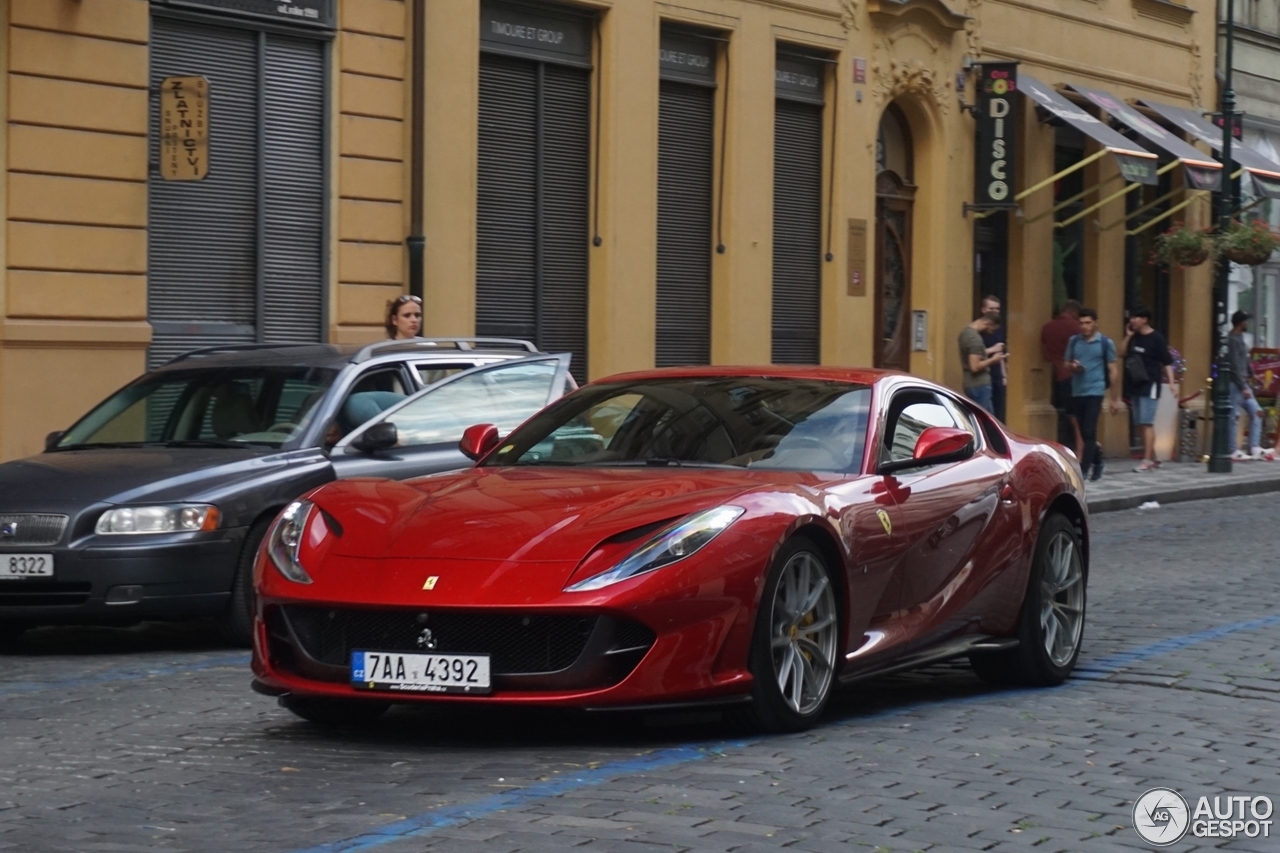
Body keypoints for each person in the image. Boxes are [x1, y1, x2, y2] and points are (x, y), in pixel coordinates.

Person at [1064, 307, 1120, 481]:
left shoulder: (1105, 343)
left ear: (1096, 323)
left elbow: (1113, 370)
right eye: (1081, 323)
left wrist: (1114, 398)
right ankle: (1098, 461)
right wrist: (1073, 367)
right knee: (1085, 432)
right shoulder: (1074, 341)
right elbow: (1066, 363)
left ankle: (1084, 468)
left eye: (1088, 323)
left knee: (1089, 429)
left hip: (1095, 390)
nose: (1084, 326)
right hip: (1077, 390)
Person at [1118, 306, 1175, 472]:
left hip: (1150, 384)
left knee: (1146, 422)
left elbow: (1167, 362)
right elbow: (1120, 352)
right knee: (1139, 424)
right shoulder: (1133, 337)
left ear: (1145, 320)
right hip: (1134, 385)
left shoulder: (1157, 338)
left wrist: (1171, 383)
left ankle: (1147, 459)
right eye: (1132, 317)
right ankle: (1154, 456)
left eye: (1136, 317)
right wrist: (1128, 337)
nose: (1132, 321)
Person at [1226, 310, 1273, 461]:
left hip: (1243, 383)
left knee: (1257, 412)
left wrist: (1253, 376)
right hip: (1235, 385)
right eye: (1246, 321)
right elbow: (1234, 365)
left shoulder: (1240, 338)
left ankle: (1254, 447)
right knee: (1233, 416)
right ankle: (1233, 450)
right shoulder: (1232, 340)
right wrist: (1243, 386)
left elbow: (1244, 361)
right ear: (1240, 323)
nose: (1248, 323)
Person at [1041, 300, 1082, 451]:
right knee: (1078, 416)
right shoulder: (1077, 328)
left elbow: (1045, 354)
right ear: (1074, 313)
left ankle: (1069, 446)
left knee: (1067, 413)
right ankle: (1080, 447)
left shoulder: (1047, 327)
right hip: (1076, 375)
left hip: (1058, 375)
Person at [959, 311, 1006, 415]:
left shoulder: (965, 333)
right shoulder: (975, 339)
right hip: (979, 385)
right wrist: (993, 359)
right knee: (985, 421)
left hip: (970, 383)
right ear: (987, 323)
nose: (992, 333)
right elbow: (975, 367)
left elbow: (972, 355)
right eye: (992, 329)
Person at [979, 295, 1008, 421]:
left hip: (997, 374)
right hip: (983, 374)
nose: (995, 312)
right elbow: (973, 355)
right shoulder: (977, 330)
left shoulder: (999, 329)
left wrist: (1004, 375)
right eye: (991, 309)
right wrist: (992, 349)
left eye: (997, 309)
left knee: (999, 410)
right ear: (984, 310)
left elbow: (1000, 353)